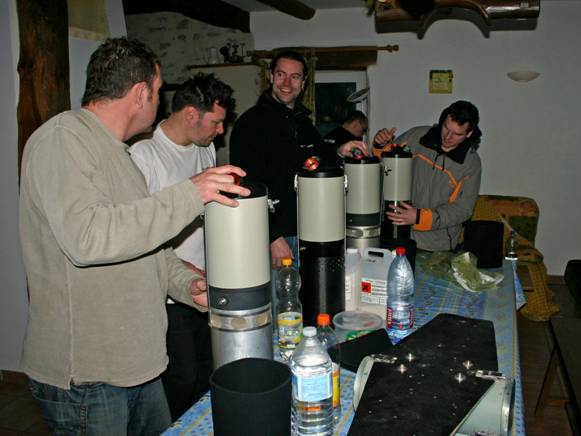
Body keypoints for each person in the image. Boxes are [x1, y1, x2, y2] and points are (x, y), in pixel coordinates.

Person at [18, 37, 249, 435]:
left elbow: (145, 243)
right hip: (89, 377)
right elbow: (88, 238)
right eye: (158, 92)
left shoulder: (120, 155)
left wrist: (186, 283)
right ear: (141, 93)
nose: (160, 101)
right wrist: (190, 193)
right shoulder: (63, 139)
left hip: (136, 366)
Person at [129, 72, 234, 420]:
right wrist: (181, 269)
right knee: (182, 380)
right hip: (170, 293)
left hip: (207, 285)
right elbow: (138, 229)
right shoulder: (144, 155)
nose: (221, 130)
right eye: (216, 122)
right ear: (191, 114)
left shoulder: (206, 149)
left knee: (208, 372)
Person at [230, 50, 368, 268]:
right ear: (271, 77)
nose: (287, 83)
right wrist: (272, 236)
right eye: (281, 75)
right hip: (275, 237)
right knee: (280, 291)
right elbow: (245, 186)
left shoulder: (303, 123)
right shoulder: (250, 123)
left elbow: (320, 160)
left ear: (303, 83)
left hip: (309, 230)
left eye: (294, 77)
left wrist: (340, 151)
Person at [373, 100, 482, 252]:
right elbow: (386, 162)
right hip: (396, 234)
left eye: (457, 134)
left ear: (469, 133)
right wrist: (380, 144)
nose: (448, 137)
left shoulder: (471, 164)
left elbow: (462, 209)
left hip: (436, 246)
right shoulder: (416, 136)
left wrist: (419, 218)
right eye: (446, 128)